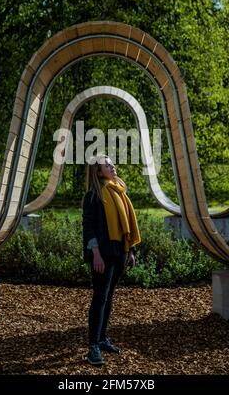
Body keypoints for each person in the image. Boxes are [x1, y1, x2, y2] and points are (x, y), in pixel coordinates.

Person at [82, 154, 142, 366]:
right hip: (103, 254)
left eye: (110, 163)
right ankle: (93, 348)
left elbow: (126, 225)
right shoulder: (93, 196)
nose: (111, 166)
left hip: (120, 252)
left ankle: (102, 338)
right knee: (99, 297)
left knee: (108, 297)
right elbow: (88, 228)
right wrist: (95, 253)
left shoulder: (120, 191)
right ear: (98, 172)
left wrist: (131, 250)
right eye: (106, 165)